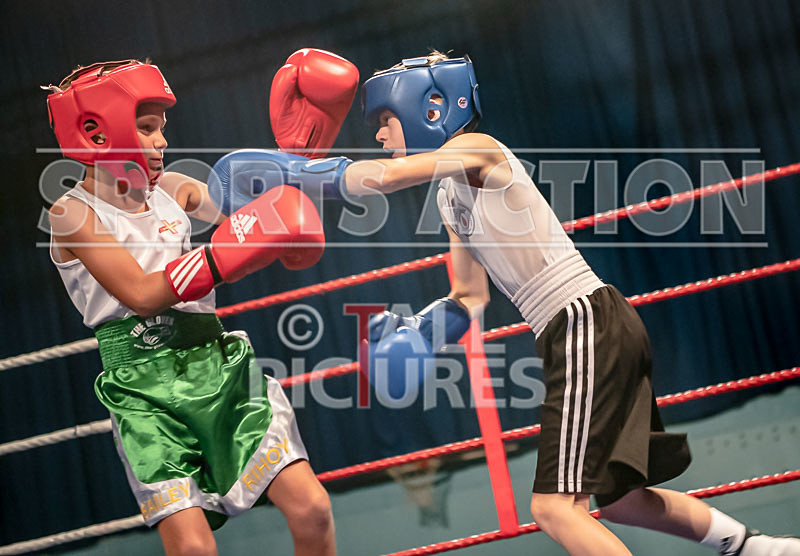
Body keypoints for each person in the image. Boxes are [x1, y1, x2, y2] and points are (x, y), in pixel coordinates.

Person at [209, 52, 800, 556]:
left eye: (385, 121)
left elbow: (385, 180)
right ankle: (758, 548)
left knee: (554, 508)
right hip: (582, 330)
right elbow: (469, 295)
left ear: (430, 109)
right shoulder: (449, 196)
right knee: (623, 501)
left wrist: (295, 171)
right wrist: (419, 335)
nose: (381, 137)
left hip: (583, 322)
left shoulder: (479, 148)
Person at [44, 59, 338, 556]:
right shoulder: (71, 213)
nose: (162, 141)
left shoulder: (175, 187)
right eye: (146, 128)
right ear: (97, 132)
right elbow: (140, 293)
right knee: (194, 551)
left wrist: (296, 166)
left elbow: (255, 221)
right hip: (144, 390)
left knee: (313, 509)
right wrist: (221, 258)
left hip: (217, 366)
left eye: (162, 127)